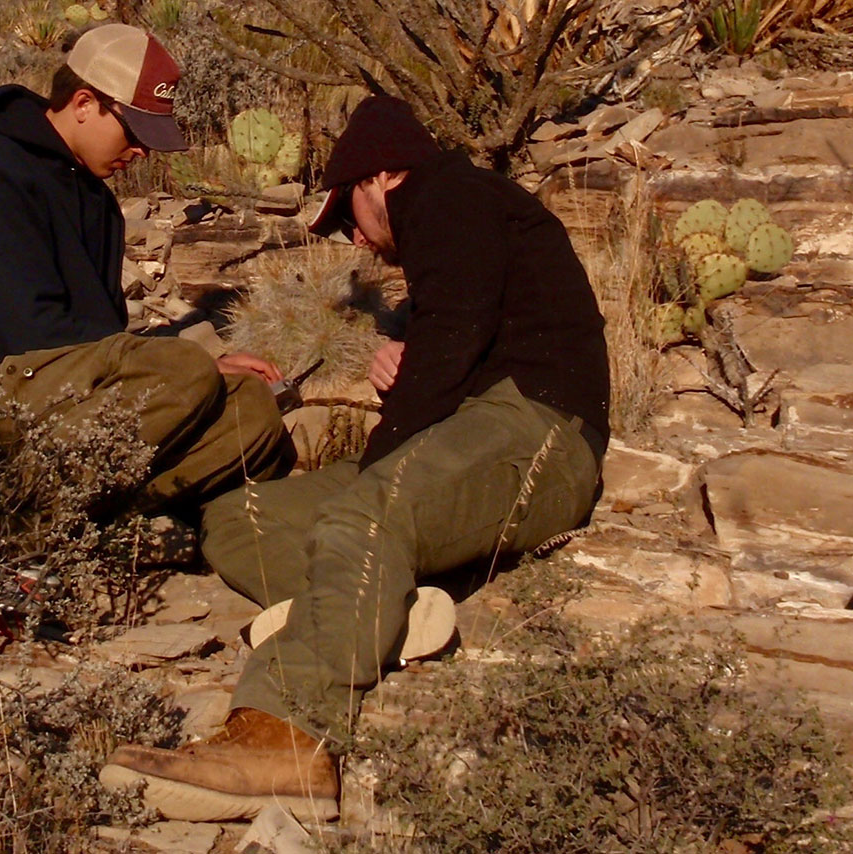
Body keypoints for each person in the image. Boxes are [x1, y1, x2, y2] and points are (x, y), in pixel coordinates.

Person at [100, 96, 610, 821]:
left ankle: (286, 736)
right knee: (241, 516)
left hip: (539, 431)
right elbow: (456, 339)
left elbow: (454, 332)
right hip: (475, 429)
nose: (359, 242)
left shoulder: (445, 189)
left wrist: (383, 468)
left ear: (378, 179)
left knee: (366, 513)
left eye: (347, 215)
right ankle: (382, 609)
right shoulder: (462, 214)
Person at [0, 23, 293, 518]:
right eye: (134, 132)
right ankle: (16, 516)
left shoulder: (98, 203)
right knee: (189, 368)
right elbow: (37, 331)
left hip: (61, 394)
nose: (142, 152)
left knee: (251, 407)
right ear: (84, 104)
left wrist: (206, 376)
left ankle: (103, 517)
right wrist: (189, 366)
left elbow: (102, 341)